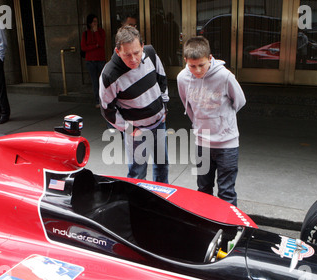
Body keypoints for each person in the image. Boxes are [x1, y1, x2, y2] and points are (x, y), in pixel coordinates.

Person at [177, 36, 246, 206]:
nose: (198, 70)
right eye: (192, 66)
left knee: (226, 192)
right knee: (203, 189)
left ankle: (229, 230)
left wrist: (223, 121)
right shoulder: (182, 78)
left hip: (227, 144)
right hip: (202, 143)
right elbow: (188, 106)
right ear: (185, 61)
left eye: (201, 65)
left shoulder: (224, 76)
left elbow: (239, 101)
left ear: (210, 58)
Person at [99, 26, 169, 183]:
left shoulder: (150, 53)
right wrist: (128, 129)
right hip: (135, 130)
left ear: (142, 46)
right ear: (118, 52)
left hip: (158, 122)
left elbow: (162, 78)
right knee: (137, 172)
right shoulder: (110, 74)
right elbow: (107, 110)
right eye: (127, 55)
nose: (133, 59)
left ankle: (161, 202)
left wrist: (164, 107)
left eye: (137, 53)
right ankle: (137, 204)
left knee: (162, 166)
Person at [81, 14, 106, 109]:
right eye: (93, 21)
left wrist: (96, 32)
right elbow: (84, 47)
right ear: (89, 23)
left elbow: (101, 43)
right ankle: (97, 101)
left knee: (103, 81)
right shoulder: (85, 34)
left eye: (96, 21)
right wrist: (95, 46)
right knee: (95, 82)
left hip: (100, 59)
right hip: (90, 61)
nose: (95, 23)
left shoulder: (101, 31)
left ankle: (105, 100)